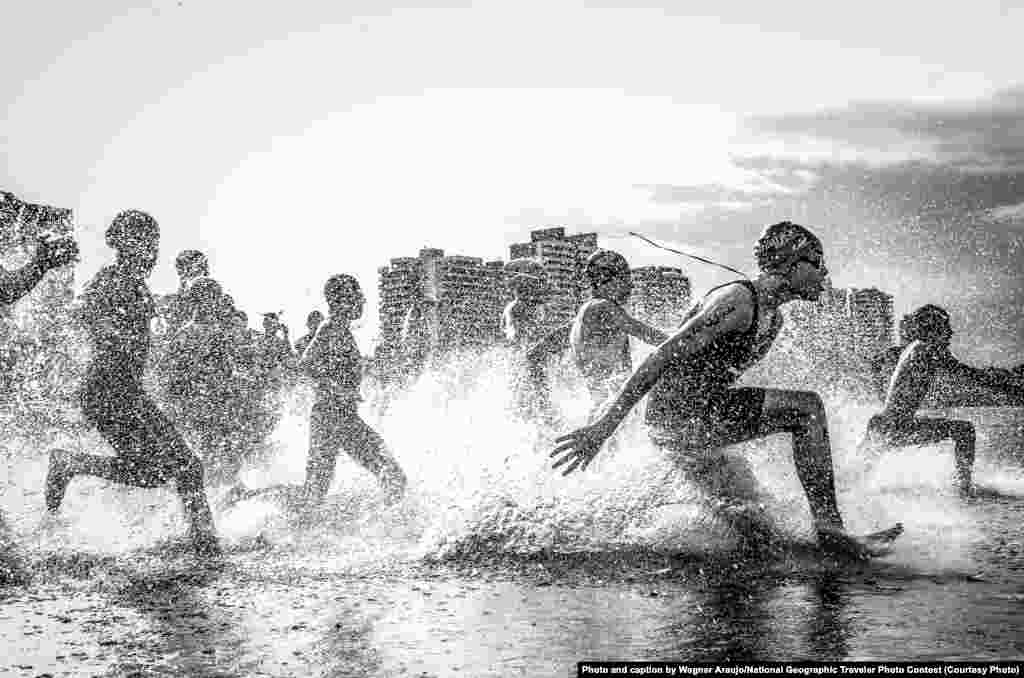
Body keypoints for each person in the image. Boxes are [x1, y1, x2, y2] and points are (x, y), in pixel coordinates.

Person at [550, 221, 897, 557]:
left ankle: (817, 541)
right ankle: (830, 530)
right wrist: (604, 429)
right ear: (789, 261)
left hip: (704, 417)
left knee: (760, 536)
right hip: (678, 419)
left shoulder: (772, 319)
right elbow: (662, 356)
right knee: (807, 409)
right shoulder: (739, 300)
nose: (823, 273)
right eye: (817, 262)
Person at [42, 210, 219, 556]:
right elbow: (86, 311)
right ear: (122, 243)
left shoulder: (138, 285)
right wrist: (112, 333)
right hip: (106, 390)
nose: (150, 251)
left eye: (153, 244)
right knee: (176, 469)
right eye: (142, 243)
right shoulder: (110, 278)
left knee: (174, 470)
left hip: (127, 391)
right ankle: (207, 546)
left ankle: (207, 544)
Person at [227, 275, 406, 511]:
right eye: (357, 296)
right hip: (334, 416)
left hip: (336, 416)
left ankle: (248, 497)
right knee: (390, 474)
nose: (362, 301)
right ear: (342, 301)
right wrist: (337, 389)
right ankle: (390, 525)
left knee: (314, 493)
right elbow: (306, 364)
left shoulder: (338, 329)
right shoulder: (330, 328)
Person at [862, 304, 1024, 495]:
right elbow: (968, 374)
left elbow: (877, 363)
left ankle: (963, 486)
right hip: (895, 427)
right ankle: (964, 489)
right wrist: (1011, 386)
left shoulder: (915, 348)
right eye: (946, 327)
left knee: (861, 472)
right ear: (934, 329)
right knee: (964, 430)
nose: (951, 333)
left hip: (886, 423)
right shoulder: (928, 349)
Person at [527, 249, 668, 420]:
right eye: (625, 279)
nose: (631, 286)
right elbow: (649, 335)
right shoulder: (604, 308)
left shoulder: (584, 314)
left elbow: (536, 352)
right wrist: (692, 342)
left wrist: (542, 402)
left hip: (602, 408)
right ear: (604, 280)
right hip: (608, 410)